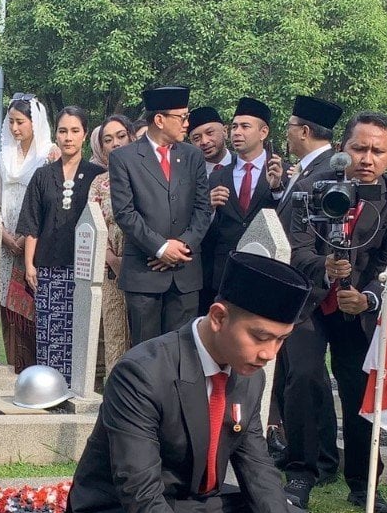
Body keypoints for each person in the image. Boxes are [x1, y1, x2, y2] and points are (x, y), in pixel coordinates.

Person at [60, 251, 332, 513]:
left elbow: (258, 471)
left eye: (281, 340)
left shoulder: (248, 377)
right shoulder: (143, 372)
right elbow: (140, 490)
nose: (269, 353)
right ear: (219, 316)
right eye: (260, 337)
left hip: (196, 500)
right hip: (119, 509)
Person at [283, 111, 387, 513]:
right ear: (342, 149)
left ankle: (364, 484)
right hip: (310, 300)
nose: (367, 158)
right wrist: (323, 268)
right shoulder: (308, 188)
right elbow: (297, 248)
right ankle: (301, 474)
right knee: (302, 378)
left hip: (359, 307)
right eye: (359, 148)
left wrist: (369, 297)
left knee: (362, 390)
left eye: (377, 151)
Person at [270, 95, 344, 477]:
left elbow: (323, 236)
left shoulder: (330, 172)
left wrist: (317, 282)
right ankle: (306, 450)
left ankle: (318, 459)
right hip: (298, 285)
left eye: (289, 127)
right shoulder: (307, 170)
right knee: (298, 376)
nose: (287, 134)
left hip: (312, 289)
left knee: (306, 377)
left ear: (303, 131)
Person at [110, 85, 212, 344]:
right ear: (159, 119)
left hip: (185, 274)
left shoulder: (192, 156)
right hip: (145, 275)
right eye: (182, 117)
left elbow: (203, 208)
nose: (187, 124)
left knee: (182, 351)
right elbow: (125, 213)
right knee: (146, 352)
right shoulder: (125, 158)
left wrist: (181, 247)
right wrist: (160, 247)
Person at [17, 106, 103, 385]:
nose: (68, 137)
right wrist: (30, 264)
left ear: (85, 134)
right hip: (48, 267)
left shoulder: (96, 176)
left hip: (83, 270)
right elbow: (32, 222)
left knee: (77, 332)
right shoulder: (43, 176)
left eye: (75, 131)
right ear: (56, 134)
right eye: (63, 131)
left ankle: (75, 387)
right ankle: (47, 386)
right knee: (49, 331)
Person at [201, 97, 283, 315]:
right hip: (224, 274)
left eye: (245, 127)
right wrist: (208, 207)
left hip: (266, 271)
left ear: (263, 132)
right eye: (235, 126)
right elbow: (207, 229)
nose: (237, 132)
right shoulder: (218, 176)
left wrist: (277, 189)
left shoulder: (282, 173)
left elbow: (287, 220)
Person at [0, 93, 52, 373]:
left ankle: (35, 371)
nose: (15, 128)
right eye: (11, 122)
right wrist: (4, 235)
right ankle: (14, 367)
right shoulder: (4, 157)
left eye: (20, 122)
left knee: (33, 309)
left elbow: (49, 202)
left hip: (35, 244)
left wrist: (26, 236)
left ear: (34, 123)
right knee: (9, 310)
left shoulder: (48, 155)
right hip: (6, 245)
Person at [89, 115, 135, 377]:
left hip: (142, 265)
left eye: (120, 136)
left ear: (131, 137)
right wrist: (111, 259)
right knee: (115, 333)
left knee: (140, 332)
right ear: (102, 148)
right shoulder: (99, 183)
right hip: (109, 268)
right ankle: (115, 393)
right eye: (108, 140)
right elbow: (94, 224)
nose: (115, 143)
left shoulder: (146, 176)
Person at [188, 106, 231, 174]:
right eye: (197, 138)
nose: (204, 142)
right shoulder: (188, 175)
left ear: (225, 131)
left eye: (209, 133)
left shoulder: (246, 165)